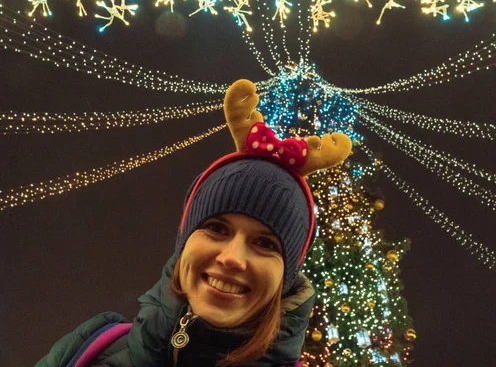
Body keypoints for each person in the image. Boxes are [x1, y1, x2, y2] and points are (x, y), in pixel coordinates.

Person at [35, 79, 352, 367]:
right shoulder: (85, 351)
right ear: (184, 240)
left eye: (266, 243)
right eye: (217, 228)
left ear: (287, 277)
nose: (231, 258)